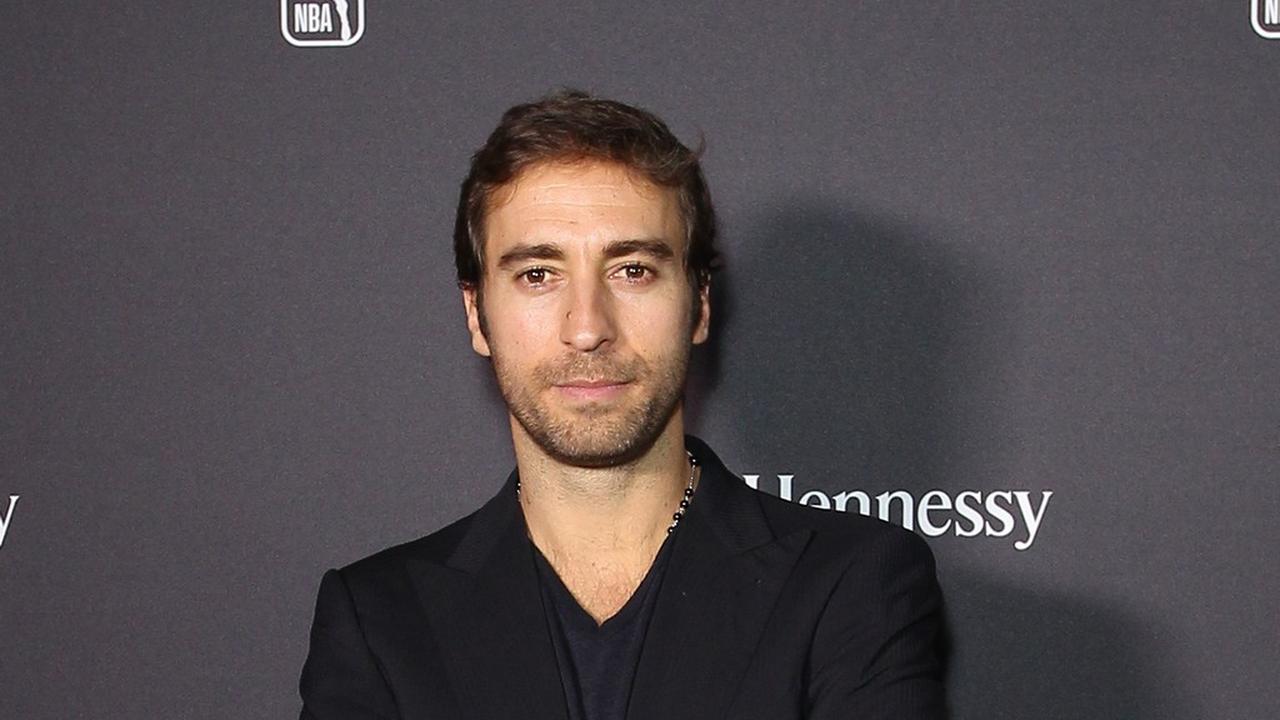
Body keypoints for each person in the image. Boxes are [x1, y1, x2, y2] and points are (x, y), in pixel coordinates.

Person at [297, 89, 946, 720]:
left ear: (699, 304)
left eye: (632, 270)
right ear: (476, 314)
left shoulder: (851, 586)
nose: (587, 328)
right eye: (538, 275)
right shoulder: (380, 619)